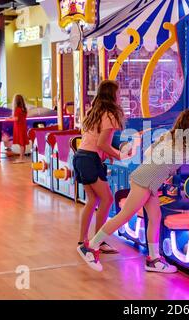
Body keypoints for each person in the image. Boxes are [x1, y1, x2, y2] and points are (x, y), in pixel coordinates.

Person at [77, 109, 189, 273]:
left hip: (147, 179)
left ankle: (153, 259)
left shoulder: (169, 136)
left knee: (155, 217)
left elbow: (147, 153)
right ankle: (90, 246)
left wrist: (165, 168)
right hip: (146, 181)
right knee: (124, 216)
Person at [73, 80, 139, 255]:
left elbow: (95, 142)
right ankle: (97, 241)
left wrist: (108, 154)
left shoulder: (94, 111)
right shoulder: (109, 114)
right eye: (118, 93)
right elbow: (102, 143)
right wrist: (119, 155)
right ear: (112, 95)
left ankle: (83, 241)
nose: (120, 96)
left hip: (81, 156)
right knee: (108, 199)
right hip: (89, 159)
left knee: (93, 200)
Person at [11, 94, 29, 163]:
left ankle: (21, 158)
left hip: (19, 128)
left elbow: (16, 119)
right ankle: (22, 157)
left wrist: (8, 119)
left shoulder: (17, 109)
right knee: (22, 143)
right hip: (23, 127)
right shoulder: (23, 109)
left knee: (21, 143)